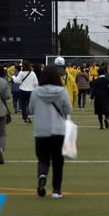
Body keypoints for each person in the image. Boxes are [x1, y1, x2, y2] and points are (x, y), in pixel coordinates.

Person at [28, 66, 72, 199]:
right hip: (58, 130)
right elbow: (67, 110)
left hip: (41, 130)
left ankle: (42, 176)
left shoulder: (36, 92)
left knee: (43, 158)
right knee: (58, 161)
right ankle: (56, 190)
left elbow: (31, 109)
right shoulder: (62, 91)